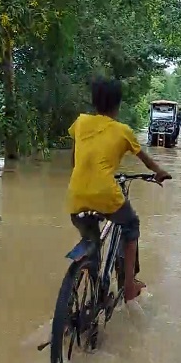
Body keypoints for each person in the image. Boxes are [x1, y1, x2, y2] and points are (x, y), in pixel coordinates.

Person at [67, 77, 171, 301]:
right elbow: (146, 160)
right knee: (131, 225)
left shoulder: (81, 122)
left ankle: (91, 290)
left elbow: (75, 159)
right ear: (118, 104)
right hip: (106, 193)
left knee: (91, 240)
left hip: (75, 195)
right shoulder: (123, 131)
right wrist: (160, 172)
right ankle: (129, 284)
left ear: (94, 103)